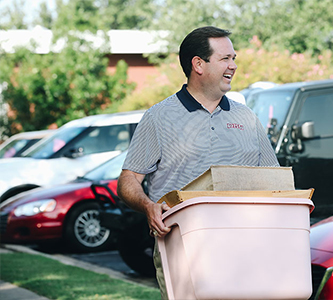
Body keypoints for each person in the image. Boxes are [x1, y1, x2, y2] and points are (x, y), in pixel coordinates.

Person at [116, 26, 279, 298]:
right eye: (225, 58)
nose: (233, 65)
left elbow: (275, 182)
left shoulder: (247, 118)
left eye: (234, 58)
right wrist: (148, 206)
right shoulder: (158, 117)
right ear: (198, 64)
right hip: (183, 245)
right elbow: (128, 179)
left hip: (245, 243)